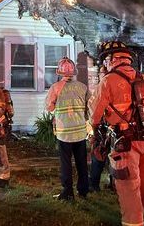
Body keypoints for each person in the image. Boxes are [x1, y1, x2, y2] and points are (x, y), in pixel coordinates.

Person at [92, 40, 144, 226]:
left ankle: (134, 223)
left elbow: (95, 114)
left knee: (129, 187)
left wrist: (95, 133)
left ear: (111, 59)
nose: (104, 65)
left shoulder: (108, 81)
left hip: (125, 144)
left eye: (105, 61)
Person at [46, 57, 91, 200]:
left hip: (64, 132)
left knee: (65, 163)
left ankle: (67, 192)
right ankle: (83, 191)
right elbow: (89, 107)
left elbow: (49, 107)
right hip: (80, 132)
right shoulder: (83, 87)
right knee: (82, 162)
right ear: (74, 71)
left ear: (59, 72)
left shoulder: (55, 87)